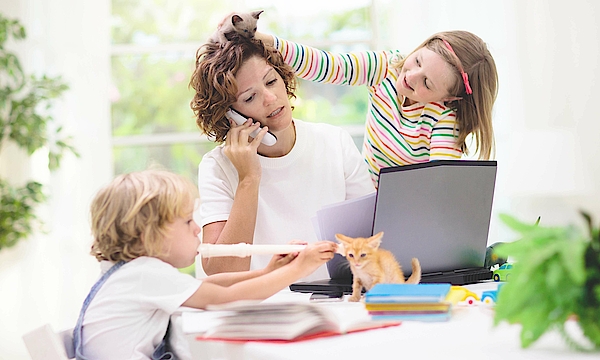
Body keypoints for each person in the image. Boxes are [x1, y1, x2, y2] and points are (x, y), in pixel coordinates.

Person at [73, 169, 337, 359]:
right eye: (187, 221)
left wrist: (268, 272)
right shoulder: (144, 273)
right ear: (151, 235)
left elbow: (205, 286)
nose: (197, 228)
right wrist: (297, 270)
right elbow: (223, 298)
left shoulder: (132, 274)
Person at [189, 33, 375, 281]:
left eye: (270, 81)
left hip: (334, 302)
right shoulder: (217, 167)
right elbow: (222, 273)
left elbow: (374, 241)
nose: (270, 98)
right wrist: (248, 178)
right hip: (258, 308)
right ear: (229, 116)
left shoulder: (334, 142)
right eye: (249, 97)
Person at [255, 30, 498, 186]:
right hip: (363, 193)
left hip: (405, 209)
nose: (411, 76)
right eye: (417, 61)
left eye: (427, 83)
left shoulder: (445, 118)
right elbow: (328, 66)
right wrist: (266, 40)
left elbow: (439, 185)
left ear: (449, 98)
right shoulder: (386, 67)